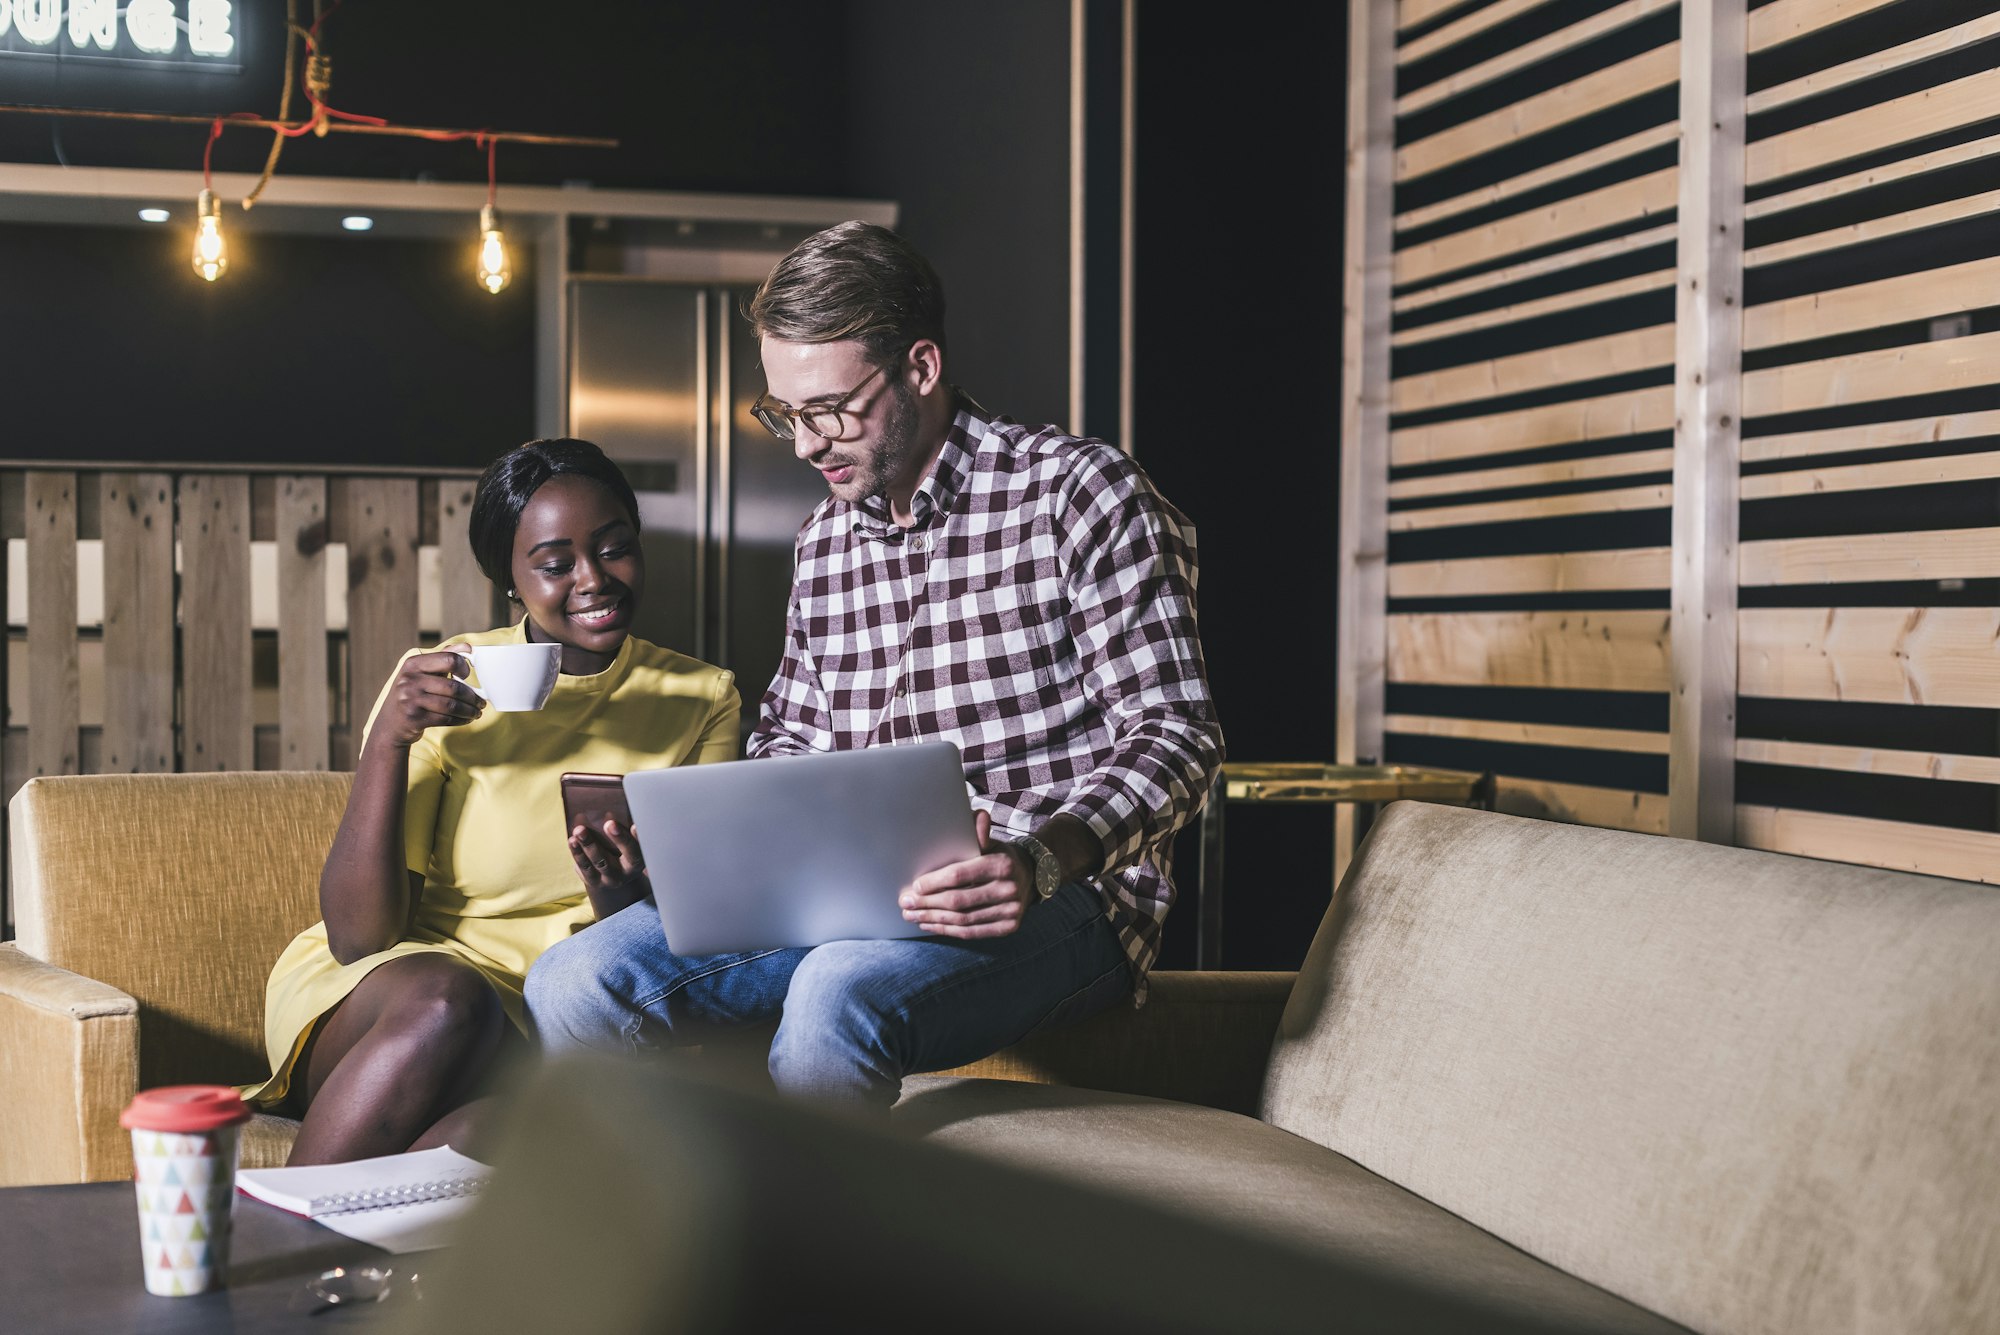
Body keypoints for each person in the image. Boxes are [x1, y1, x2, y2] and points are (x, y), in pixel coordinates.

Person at [525, 221, 1222, 1114]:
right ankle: (677, 1232)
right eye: (784, 414)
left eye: (829, 410)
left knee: (836, 991)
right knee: (576, 978)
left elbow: (1178, 733)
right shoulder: (822, 542)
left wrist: (1038, 860)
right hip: (846, 890)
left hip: (1061, 896)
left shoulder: (1080, 494)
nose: (807, 444)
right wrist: (713, 850)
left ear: (920, 368)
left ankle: (818, 1255)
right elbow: (789, 737)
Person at [242, 439, 740, 1163]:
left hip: (552, 1019)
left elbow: (695, 927)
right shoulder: (446, 680)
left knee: (488, 1135)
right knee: (454, 1000)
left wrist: (623, 899)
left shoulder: (703, 698)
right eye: (555, 563)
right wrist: (388, 740)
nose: (594, 579)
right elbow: (358, 936)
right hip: (399, 999)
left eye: (614, 548)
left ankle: (347, 1268)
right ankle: (275, 1250)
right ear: (509, 578)